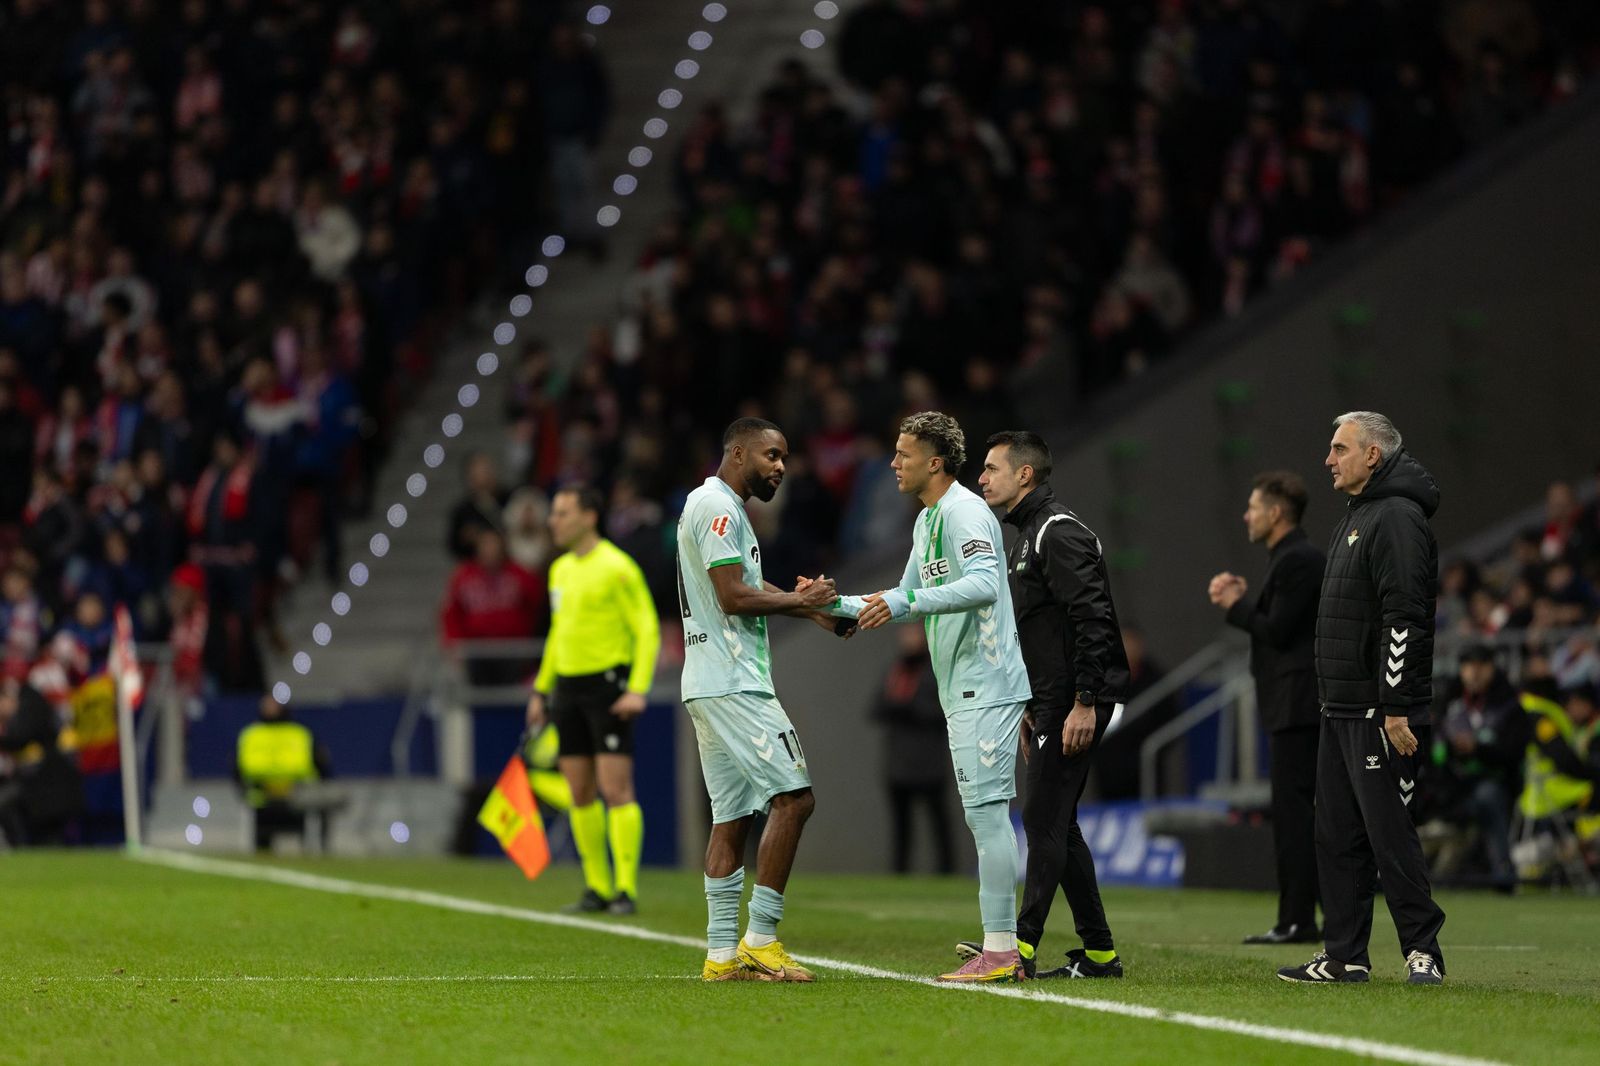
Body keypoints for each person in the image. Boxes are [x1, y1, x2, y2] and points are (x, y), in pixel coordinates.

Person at [826, 412, 1034, 983]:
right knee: (982, 816)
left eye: (904, 454)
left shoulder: (966, 511)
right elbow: (904, 593)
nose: (893, 463)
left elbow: (984, 585)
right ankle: (1004, 944)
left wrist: (905, 605)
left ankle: (1001, 949)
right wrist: (831, 603)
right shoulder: (928, 521)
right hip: (961, 688)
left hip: (987, 683)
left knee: (988, 817)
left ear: (934, 462)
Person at [1279, 411, 1447, 986]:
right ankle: (1345, 955)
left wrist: (1397, 705)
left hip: (1378, 711)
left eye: (1339, 448)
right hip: (1342, 707)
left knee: (1388, 833)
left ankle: (1423, 950)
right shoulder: (1361, 513)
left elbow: (1405, 616)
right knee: (1338, 837)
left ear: (1372, 455)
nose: (1328, 459)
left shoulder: (1396, 516)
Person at [677, 417, 846, 982]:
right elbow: (732, 597)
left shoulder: (713, 506)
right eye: (771, 455)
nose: (780, 467)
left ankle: (722, 955)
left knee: (731, 819)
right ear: (738, 451)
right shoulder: (721, 509)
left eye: (784, 457)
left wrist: (816, 612)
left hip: (706, 682)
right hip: (734, 682)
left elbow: (746, 583)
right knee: (795, 799)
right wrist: (803, 607)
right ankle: (762, 939)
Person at [958, 428, 1128, 980]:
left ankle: (1018, 949)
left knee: (1043, 816)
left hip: (1077, 700)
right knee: (1061, 822)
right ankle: (1099, 954)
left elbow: (1093, 619)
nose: (981, 478)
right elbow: (1041, 631)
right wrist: (1036, 704)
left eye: (991, 468)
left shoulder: (1057, 532)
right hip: (1053, 701)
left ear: (1024, 474)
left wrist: (1084, 701)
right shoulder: (1027, 536)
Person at [525, 484, 660, 916]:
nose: (553, 521)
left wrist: (637, 688)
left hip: (607, 686)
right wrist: (541, 689)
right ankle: (596, 887)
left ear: (589, 517)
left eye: (562, 513)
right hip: (567, 688)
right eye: (554, 513)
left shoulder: (617, 567)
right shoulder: (559, 570)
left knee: (615, 787)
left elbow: (647, 628)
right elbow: (558, 632)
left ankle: (625, 888)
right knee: (579, 789)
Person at [1209, 470, 1326, 944]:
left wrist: (1236, 605)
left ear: (1276, 513)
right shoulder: (1289, 559)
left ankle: (1299, 919)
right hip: (1292, 706)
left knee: (1296, 815)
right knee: (1296, 813)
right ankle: (1302, 916)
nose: (1246, 516)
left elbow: (1278, 631)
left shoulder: (1299, 559)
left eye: (1254, 507)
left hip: (1299, 706)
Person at [1424, 645, 1525, 890]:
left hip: (1494, 781)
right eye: (1469, 666)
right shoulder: (1448, 702)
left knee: (1487, 796)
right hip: (1449, 781)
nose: (1474, 673)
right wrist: (1449, 749)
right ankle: (1394, 875)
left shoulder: (1508, 705)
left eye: (1481, 666)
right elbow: (1431, 745)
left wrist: (1477, 749)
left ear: (1492, 668)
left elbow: (1513, 753)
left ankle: (1503, 871)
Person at [872, 626, 954, 875]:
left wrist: (912, 708)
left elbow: (945, 710)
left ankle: (946, 872)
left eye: (915, 634)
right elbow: (875, 707)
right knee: (901, 825)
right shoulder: (896, 669)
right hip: (898, 763)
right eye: (906, 634)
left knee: (938, 822)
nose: (909, 639)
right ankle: (900, 873)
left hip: (930, 761)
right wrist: (897, 707)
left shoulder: (936, 670)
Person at [236, 694, 331, 852]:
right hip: (261, 796)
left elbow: (321, 764)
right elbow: (238, 767)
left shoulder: (299, 733)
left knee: (319, 810)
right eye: (268, 705)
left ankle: (319, 852)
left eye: (274, 705)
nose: (271, 709)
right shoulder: (252, 734)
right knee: (263, 837)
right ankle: (262, 852)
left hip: (297, 795)